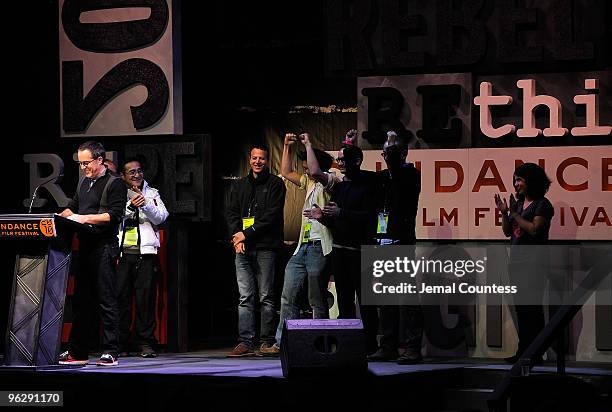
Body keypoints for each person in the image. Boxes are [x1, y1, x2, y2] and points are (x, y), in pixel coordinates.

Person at [260, 133, 340, 356]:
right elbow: (286, 172)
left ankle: (320, 344)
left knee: (316, 298)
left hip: (318, 246)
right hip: (302, 247)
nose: (305, 170)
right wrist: (286, 146)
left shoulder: (331, 179)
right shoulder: (309, 183)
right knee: (289, 294)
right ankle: (282, 342)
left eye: (306, 165)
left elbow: (315, 171)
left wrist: (308, 144)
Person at [58, 141, 127, 366]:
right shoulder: (84, 182)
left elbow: (113, 215)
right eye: (80, 163)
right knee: (81, 302)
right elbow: (73, 207)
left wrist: (82, 218)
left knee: (106, 300)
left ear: (100, 160)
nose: (83, 167)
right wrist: (57, 217)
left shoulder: (115, 183)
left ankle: (111, 351)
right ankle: (78, 352)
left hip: (104, 247)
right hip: (85, 247)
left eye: (86, 163)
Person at [306, 144, 380, 354]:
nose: (340, 162)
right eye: (339, 158)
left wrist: (341, 213)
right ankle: (347, 345)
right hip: (340, 250)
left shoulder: (367, 187)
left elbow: (368, 218)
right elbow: (336, 219)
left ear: (357, 161)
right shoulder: (339, 187)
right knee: (344, 300)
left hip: (360, 252)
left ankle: (369, 344)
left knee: (365, 302)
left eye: (344, 157)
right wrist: (324, 218)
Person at [367, 131, 423, 364]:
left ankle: (412, 347)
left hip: (402, 243)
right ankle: (387, 345)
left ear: (401, 153)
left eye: (390, 151)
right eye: (384, 152)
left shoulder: (411, 175)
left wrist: (392, 150)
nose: (386, 156)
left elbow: (399, 176)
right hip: (383, 242)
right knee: (385, 298)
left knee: (407, 299)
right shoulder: (381, 177)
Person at [226, 143, 286, 357]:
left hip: (266, 247)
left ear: (267, 161)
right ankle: (245, 342)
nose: (257, 162)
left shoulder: (276, 184)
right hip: (242, 247)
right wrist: (237, 237)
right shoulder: (240, 185)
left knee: (266, 296)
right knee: (245, 297)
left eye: (261, 158)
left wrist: (247, 233)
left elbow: (271, 216)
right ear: (249, 160)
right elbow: (231, 213)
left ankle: (266, 341)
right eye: (254, 158)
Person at [494, 162, 554, 364]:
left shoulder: (542, 204)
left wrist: (515, 215)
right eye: (515, 179)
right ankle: (525, 352)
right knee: (521, 308)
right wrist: (504, 213)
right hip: (517, 263)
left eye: (519, 179)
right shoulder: (518, 205)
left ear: (531, 181)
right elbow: (507, 232)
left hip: (534, 264)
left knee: (532, 309)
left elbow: (536, 229)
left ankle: (535, 353)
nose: (516, 183)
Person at [117, 158, 169, 358]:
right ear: (124, 176)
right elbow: (113, 217)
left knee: (145, 301)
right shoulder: (118, 193)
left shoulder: (152, 193)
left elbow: (161, 217)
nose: (136, 175)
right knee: (121, 301)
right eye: (131, 172)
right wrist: (130, 206)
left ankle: (146, 343)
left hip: (146, 255)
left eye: (139, 171)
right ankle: (120, 343)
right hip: (124, 254)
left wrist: (145, 205)